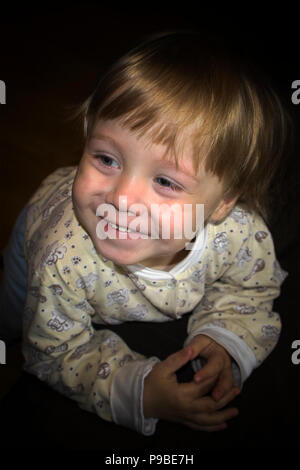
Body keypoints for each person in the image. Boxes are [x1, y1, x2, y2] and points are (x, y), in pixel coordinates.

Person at [0, 31, 289, 435]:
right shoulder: (59, 257)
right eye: (105, 158)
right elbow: (54, 351)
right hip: (35, 230)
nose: (121, 197)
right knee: (14, 313)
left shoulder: (240, 236)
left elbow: (250, 290)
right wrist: (137, 393)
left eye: (167, 182)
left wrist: (225, 338)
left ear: (224, 204)